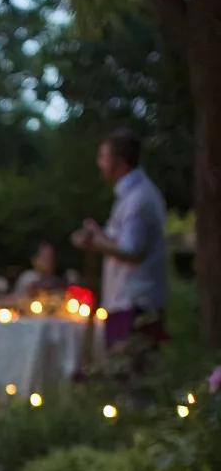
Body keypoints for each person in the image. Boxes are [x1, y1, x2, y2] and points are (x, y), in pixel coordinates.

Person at [71, 128, 167, 353]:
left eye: (103, 157)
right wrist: (100, 235)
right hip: (125, 301)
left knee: (130, 377)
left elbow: (131, 250)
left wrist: (94, 243)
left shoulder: (139, 198)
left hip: (136, 304)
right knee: (122, 376)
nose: (99, 163)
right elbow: (123, 241)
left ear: (121, 162)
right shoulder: (131, 196)